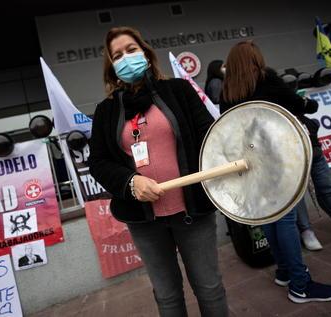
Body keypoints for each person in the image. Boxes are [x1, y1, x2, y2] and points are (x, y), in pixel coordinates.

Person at [88, 26, 228, 316]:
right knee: (167, 297)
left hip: (193, 214)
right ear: (112, 67)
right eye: (117, 55)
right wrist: (130, 181)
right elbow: (98, 162)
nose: (126, 58)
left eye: (131, 50)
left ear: (146, 54)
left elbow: (209, 136)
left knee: (209, 288)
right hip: (144, 222)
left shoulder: (179, 90)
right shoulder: (106, 111)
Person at [220, 40, 331, 303]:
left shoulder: (226, 92)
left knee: (268, 218)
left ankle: (284, 271)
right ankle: (300, 284)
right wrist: (308, 105)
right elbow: (297, 105)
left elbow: (227, 131)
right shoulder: (267, 80)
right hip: (276, 160)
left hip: (250, 166)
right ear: (255, 59)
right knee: (285, 220)